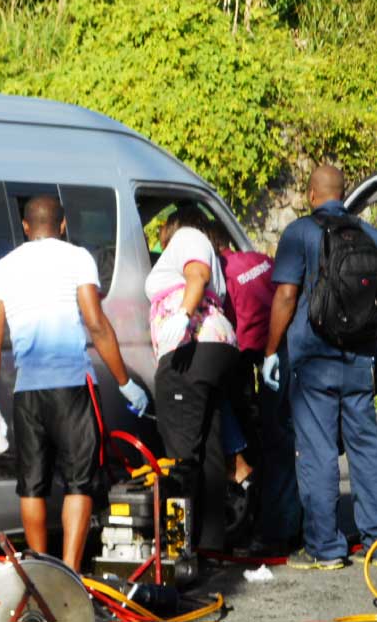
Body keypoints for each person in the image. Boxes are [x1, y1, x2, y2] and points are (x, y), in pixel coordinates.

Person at [0, 195, 149, 572]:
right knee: (79, 483)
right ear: (63, 224)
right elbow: (96, 323)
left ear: (25, 227)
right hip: (73, 386)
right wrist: (125, 382)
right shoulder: (78, 258)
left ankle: (40, 572)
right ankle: (69, 572)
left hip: (28, 392)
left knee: (31, 485)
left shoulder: (1, 269)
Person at [264, 164, 377, 569]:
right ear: (343, 193)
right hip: (361, 360)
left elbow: (285, 297)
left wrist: (270, 351)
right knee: (366, 449)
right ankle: (374, 541)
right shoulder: (369, 235)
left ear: (312, 194)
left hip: (313, 361)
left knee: (319, 450)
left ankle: (326, 547)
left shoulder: (300, 233)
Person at [145, 204, 238, 551]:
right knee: (209, 449)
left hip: (190, 350)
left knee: (180, 457)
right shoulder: (207, 249)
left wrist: (181, 317)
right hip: (214, 350)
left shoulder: (188, 237)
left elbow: (196, 275)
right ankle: (210, 546)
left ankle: (176, 549)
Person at [208, 220, 302, 553]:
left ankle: (278, 529)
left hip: (260, 353)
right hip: (286, 348)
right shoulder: (257, 258)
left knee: (274, 441)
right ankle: (290, 519)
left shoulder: (221, 274)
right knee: (284, 437)